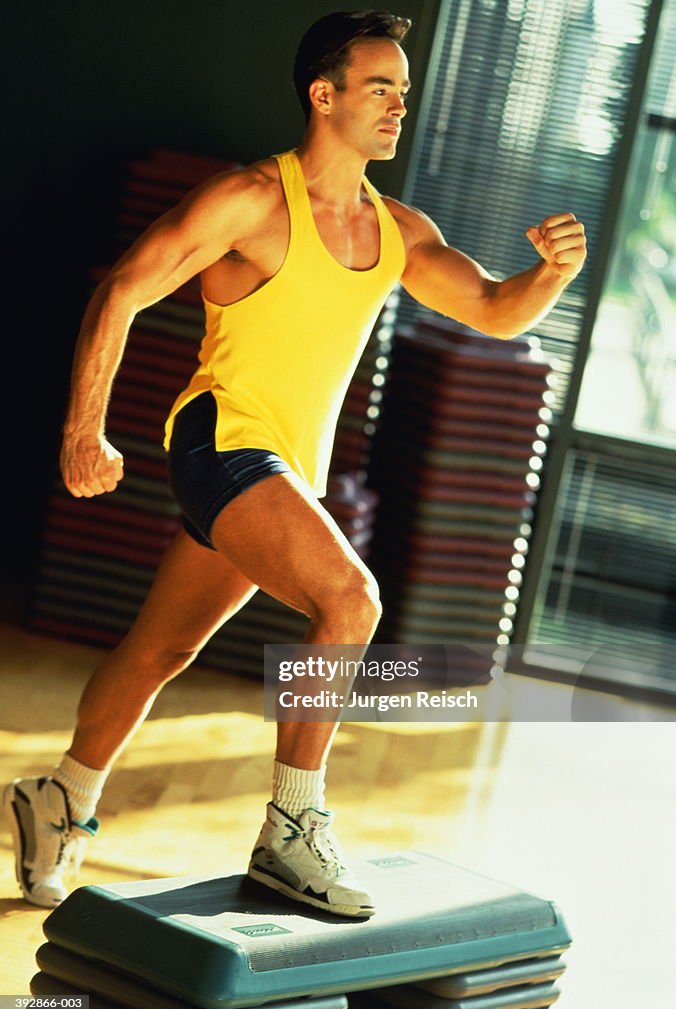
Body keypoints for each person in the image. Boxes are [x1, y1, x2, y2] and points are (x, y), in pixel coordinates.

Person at [4, 9, 586, 918]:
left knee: (164, 645)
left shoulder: (397, 228)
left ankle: (62, 796)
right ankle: (292, 830)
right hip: (223, 439)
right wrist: (85, 432)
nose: (399, 105)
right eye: (379, 87)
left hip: (282, 468)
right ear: (324, 95)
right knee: (351, 601)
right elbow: (122, 289)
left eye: (404, 89)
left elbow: (497, 310)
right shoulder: (250, 201)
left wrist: (550, 273)